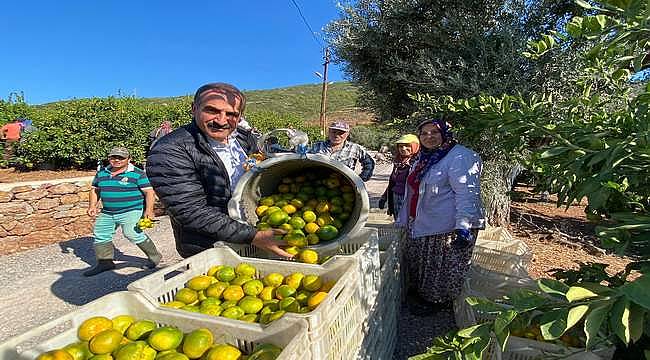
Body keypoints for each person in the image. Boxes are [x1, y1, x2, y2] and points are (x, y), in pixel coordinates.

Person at [146, 82, 292, 258]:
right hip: (209, 246)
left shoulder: (244, 139)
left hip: (255, 234)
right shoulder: (170, 149)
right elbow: (190, 211)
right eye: (212, 111)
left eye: (231, 114)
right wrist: (253, 235)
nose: (222, 121)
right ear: (194, 109)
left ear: (239, 117)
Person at [396, 118, 485, 310]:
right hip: (426, 220)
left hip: (449, 225)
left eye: (434, 132)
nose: (429, 137)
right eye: (424, 133)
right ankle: (424, 294)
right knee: (425, 264)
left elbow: (467, 194)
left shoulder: (459, 157)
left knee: (442, 267)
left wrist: (463, 226)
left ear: (445, 134)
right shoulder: (425, 157)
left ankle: (438, 302)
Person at [84, 147, 162, 276]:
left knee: (132, 233)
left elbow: (149, 192)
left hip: (131, 210)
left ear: (129, 159)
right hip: (108, 211)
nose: (117, 160)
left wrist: (149, 210)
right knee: (101, 234)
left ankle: (154, 256)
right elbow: (95, 189)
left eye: (121, 158)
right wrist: (92, 205)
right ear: (109, 158)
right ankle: (105, 262)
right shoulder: (102, 173)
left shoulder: (137, 173)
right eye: (114, 157)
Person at [310, 121, 375, 181]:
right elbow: (304, 161)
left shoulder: (355, 148)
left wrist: (361, 179)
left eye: (341, 133)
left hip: (344, 185)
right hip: (318, 183)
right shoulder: (316, 146)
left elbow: (369, 163)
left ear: (347, 134)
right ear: (329, 132)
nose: (336, 135)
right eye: (334, 132)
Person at [378, 134, 420, 220]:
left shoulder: (419, 163)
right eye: (401, 146)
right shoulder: (398, 162)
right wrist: (384, 197)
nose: (403, 148)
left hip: (410, 200)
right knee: (399, 223)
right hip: (396, 197)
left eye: (407, 146)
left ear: (415, 146)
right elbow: (393, 182)